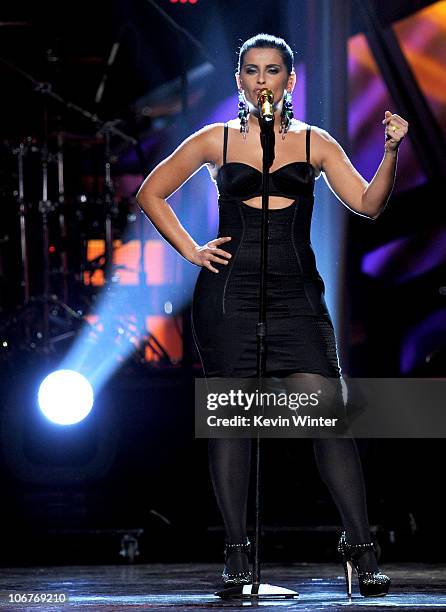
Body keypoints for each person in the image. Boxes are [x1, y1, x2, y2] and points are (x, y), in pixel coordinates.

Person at [136, 33, 408, 597]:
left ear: (289, 80)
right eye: (253, 71)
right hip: (229, 296)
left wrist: (389, 152)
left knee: (327, 417)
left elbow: (370, 204)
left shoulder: (315, 142)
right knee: (233, 422)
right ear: (240, 80)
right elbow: (151, 192)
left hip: (297, 298)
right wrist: (191, 249)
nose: (263, 80)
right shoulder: (215, 139)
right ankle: (238, 555)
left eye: (274, 70)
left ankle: (360, 550)